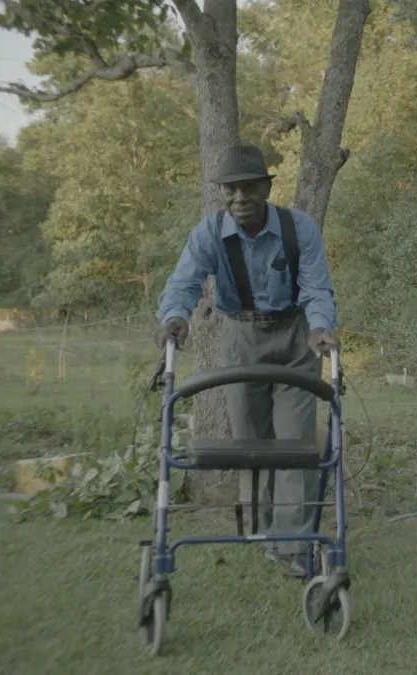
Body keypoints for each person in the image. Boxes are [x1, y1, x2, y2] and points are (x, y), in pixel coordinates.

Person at [154, 143, 339, 578]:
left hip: (295, 337)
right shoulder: (208, 233)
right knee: (251, 441)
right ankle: (262, 533)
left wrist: (319, 328)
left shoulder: (300, 229)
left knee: (294, 444)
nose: (240, 196)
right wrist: (175, 317)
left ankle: (294, 546)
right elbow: (183, 282)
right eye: (231, 188)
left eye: (249, 186)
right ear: (222, 191)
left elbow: (316, 287)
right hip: (240, 337)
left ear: (266, 186)